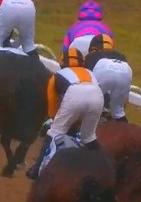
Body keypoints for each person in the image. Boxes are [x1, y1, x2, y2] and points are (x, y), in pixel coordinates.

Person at [26, 47, 105, 180]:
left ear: (62, 62)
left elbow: (52, 104)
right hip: (97, 96)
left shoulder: (58, 75)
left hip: (74, 95)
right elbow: (96, 93)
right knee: (88, 137)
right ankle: (104, 165)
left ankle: (36, 169)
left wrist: (55, 119)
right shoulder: (90, 73)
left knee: (54, 133)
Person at [84, 34, 132, 123]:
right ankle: (124, 126)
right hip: (125, 70)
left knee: (88, 105)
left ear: (93, 48)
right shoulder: (120, 55)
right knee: (118, 112)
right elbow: (125, 99)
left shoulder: (91, 56)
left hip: (103, 70)